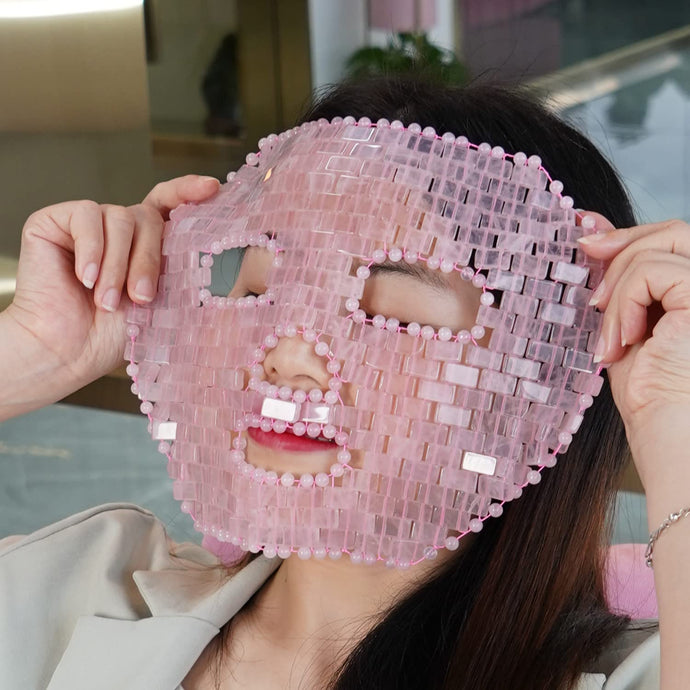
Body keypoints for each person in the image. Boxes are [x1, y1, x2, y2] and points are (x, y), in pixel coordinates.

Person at [1, 76, 689, 690]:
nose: (288, 354)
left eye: (385, 304)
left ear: (546, 365)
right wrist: (31, 355)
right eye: (260, 281)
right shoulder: (76, 584)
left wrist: (675, 421)